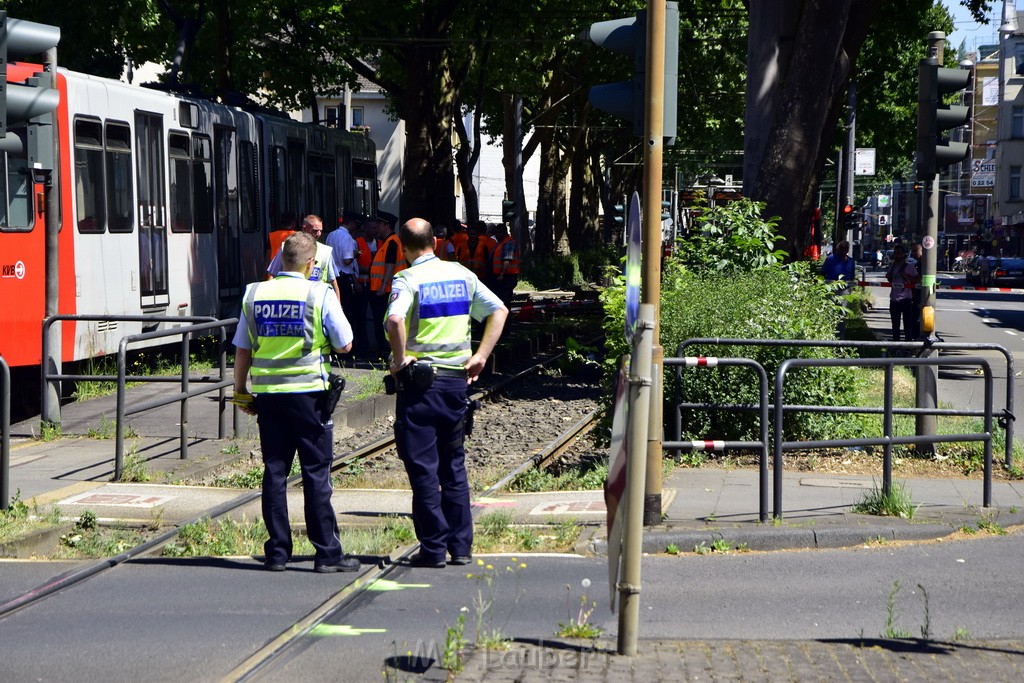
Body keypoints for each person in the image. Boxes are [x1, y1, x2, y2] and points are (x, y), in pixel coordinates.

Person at [232, 232, 360, 573]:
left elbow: (243, 348)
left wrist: (240, 390)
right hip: (309, 398)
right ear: (310, 263)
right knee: (316, 473)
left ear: (280, 259)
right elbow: (345, 343)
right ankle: (327, 554)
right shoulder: (318, 293)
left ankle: (276, 552)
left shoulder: (255, 293)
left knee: (274, 472)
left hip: (269, 399)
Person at [384, 218, 508, 568]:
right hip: (456, 385)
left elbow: (394, 321)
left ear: (403, 247)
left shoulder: (407, 278)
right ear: (435, 243)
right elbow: (499, 310)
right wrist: (481, 356)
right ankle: (462, 547)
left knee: (423, 468)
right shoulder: (462, 275)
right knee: (454, 467)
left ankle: (434, 548)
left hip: (420, 387)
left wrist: (398, 361)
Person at [267, 215, 342, 304]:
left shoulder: (325, 251)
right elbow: (272, 274)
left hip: (315, 302)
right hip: (291, 300)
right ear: (304, 228)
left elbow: (333, 283)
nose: (318, 233)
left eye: (320, 231)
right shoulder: (287, 247)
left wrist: (338, 306)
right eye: (315, 230)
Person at [369, 215, 406, 358]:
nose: (377, 226)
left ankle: (384, 351)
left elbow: (390, 266)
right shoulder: (390, 241)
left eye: (379, 223)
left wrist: (383, 285)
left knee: (382, 322)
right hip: (385, 289)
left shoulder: (391, 242)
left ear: (386, 225)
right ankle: (386, 350)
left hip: (384, 290)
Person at [326, 214, 362, 352]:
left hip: (333, 276)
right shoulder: (347, 238)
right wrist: (356, 254)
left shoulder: (331, 235)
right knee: (349, 313)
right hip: (345, 278)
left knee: (336, 312)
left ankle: (335, 347)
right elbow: (347, 260)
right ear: (351, 223)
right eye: (355, 224)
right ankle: (348, 347)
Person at [886, 244, 919, 341]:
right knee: (895, 325)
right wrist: (889, 276)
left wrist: (906, 276)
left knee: (907, 325)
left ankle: (908, 347)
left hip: (906, 300)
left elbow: (918, 280)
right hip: (894, 300)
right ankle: (896, 347)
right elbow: (890, 280)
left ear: (903, 255)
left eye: (899, 254)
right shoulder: (892, 267)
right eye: (895, 253)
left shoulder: (909, 267)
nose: (896, 255)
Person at [490, 223, 520, 308]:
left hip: (507, 277)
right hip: (502, 276)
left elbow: (507, 260)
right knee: (501, 300)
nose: (497, 235)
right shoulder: (500, 243)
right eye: (496, 233)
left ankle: (506, 319)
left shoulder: (508, 243)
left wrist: (501, 274)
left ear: (505, 233)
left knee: (505, 301)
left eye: (500, 233)